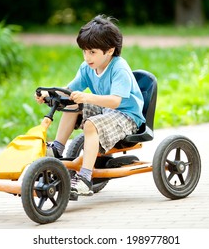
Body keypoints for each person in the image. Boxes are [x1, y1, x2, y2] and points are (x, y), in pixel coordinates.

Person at [35, 15, 145, 197]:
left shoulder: (119, 69)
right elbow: (70, 90)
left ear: (109, 51)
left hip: (127, 116)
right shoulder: (88, 67)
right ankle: (57, 148)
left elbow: (115, 101)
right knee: (71, 102)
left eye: (92, 52)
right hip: (106, 111)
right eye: (84, 51)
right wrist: (49, 94)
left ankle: (85, 178)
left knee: (91, 125)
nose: (87, 57)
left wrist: (88, 97)